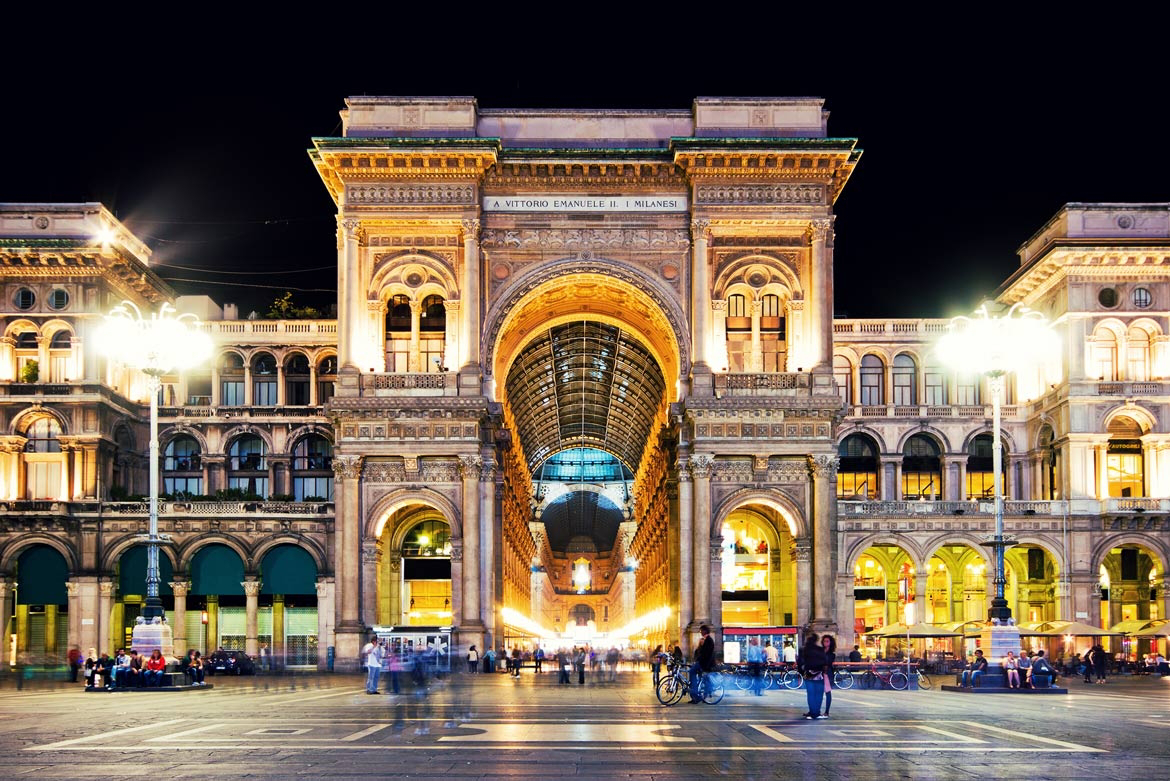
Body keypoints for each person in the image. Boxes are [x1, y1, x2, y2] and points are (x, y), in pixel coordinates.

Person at [797, 632, 827, 719]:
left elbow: (800, 662)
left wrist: (802, 673)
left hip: (808, 673)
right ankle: (816, 712)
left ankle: (812, 711)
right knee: (819, 694)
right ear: (816, 640)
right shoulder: (820, 649)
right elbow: (825, 661)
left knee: (810, 694)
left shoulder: (803, 649)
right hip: (819, 674)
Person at [689, 625, 716, 703]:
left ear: (705, 631)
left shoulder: (709, 640)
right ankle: (697, 696)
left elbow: (706, 654)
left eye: (701, 631)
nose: (700, 632)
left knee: (692, 672)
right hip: (703, 663)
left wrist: (698, 660)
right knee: (701, 678)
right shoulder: (706, 640)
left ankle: (696, 695)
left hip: (704, 663)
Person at [821, 635, 837, 716]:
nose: (825, 643)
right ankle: (816, 710)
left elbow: (828, 663)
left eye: (827, 641)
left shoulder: (831, 654)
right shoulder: (820, 651)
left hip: (827, 674)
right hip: (819, 673)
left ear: (831, 643)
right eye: (824, 641)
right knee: (818, 692)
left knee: (828, 692)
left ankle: (827, 711)